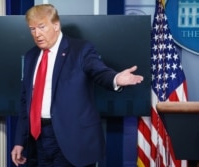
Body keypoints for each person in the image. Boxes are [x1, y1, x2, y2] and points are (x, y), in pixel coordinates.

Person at [11, 3, 144, 167]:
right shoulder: (31, 56)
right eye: (32, 29)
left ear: (56, 25)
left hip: (72, 139)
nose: (37, 34)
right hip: (37, 141)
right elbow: (26, 102)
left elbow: (99, 71)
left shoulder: (81, 50)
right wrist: (19, 141)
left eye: (42, 27)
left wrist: (115, 78)